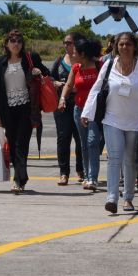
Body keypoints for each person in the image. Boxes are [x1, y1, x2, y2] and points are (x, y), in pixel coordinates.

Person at [82, 32, 138, 214]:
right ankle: (112, 197)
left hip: (136, 122)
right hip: (112, 120)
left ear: (134, 47)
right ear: (116, 46)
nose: (124, 47)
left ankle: (128, 197)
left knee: (130, 160)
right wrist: (87, 112)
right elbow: (96, 88)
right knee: (114, 158)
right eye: (121, 44)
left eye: (128, 44)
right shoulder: (108, 65)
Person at [0, 30, 50, 194]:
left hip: (26, 108)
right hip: (7, 110)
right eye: (12, 41)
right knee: (13, 144)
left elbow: (47, 73)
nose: (15, 44)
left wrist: (38, 72)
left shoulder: (31, 58)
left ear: (22, 44)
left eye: (18, 41)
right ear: (6, 44)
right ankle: (21, 177)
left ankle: (18, 179)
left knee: (21, 144)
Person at [58, 38, 102, 191]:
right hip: (79, 110)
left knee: (92, 142)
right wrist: (62, 98)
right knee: (84, 145)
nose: (72, 54)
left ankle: (93, 178)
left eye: (75, 52)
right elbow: (69, 85)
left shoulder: (99, 65)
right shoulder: (76, 67)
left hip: (96, 112)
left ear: (83, 54)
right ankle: (87, 176)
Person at [51, 32, 84, 186]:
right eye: (65, 42)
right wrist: (56, 83)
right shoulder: (59, 61)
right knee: (63, 138)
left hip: (80, 104)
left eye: (69, 43)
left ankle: (81, 170)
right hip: (62, 105)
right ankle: (64, 172)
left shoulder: (84, 61)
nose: (66, 45)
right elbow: (49, 78)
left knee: (80, 138)